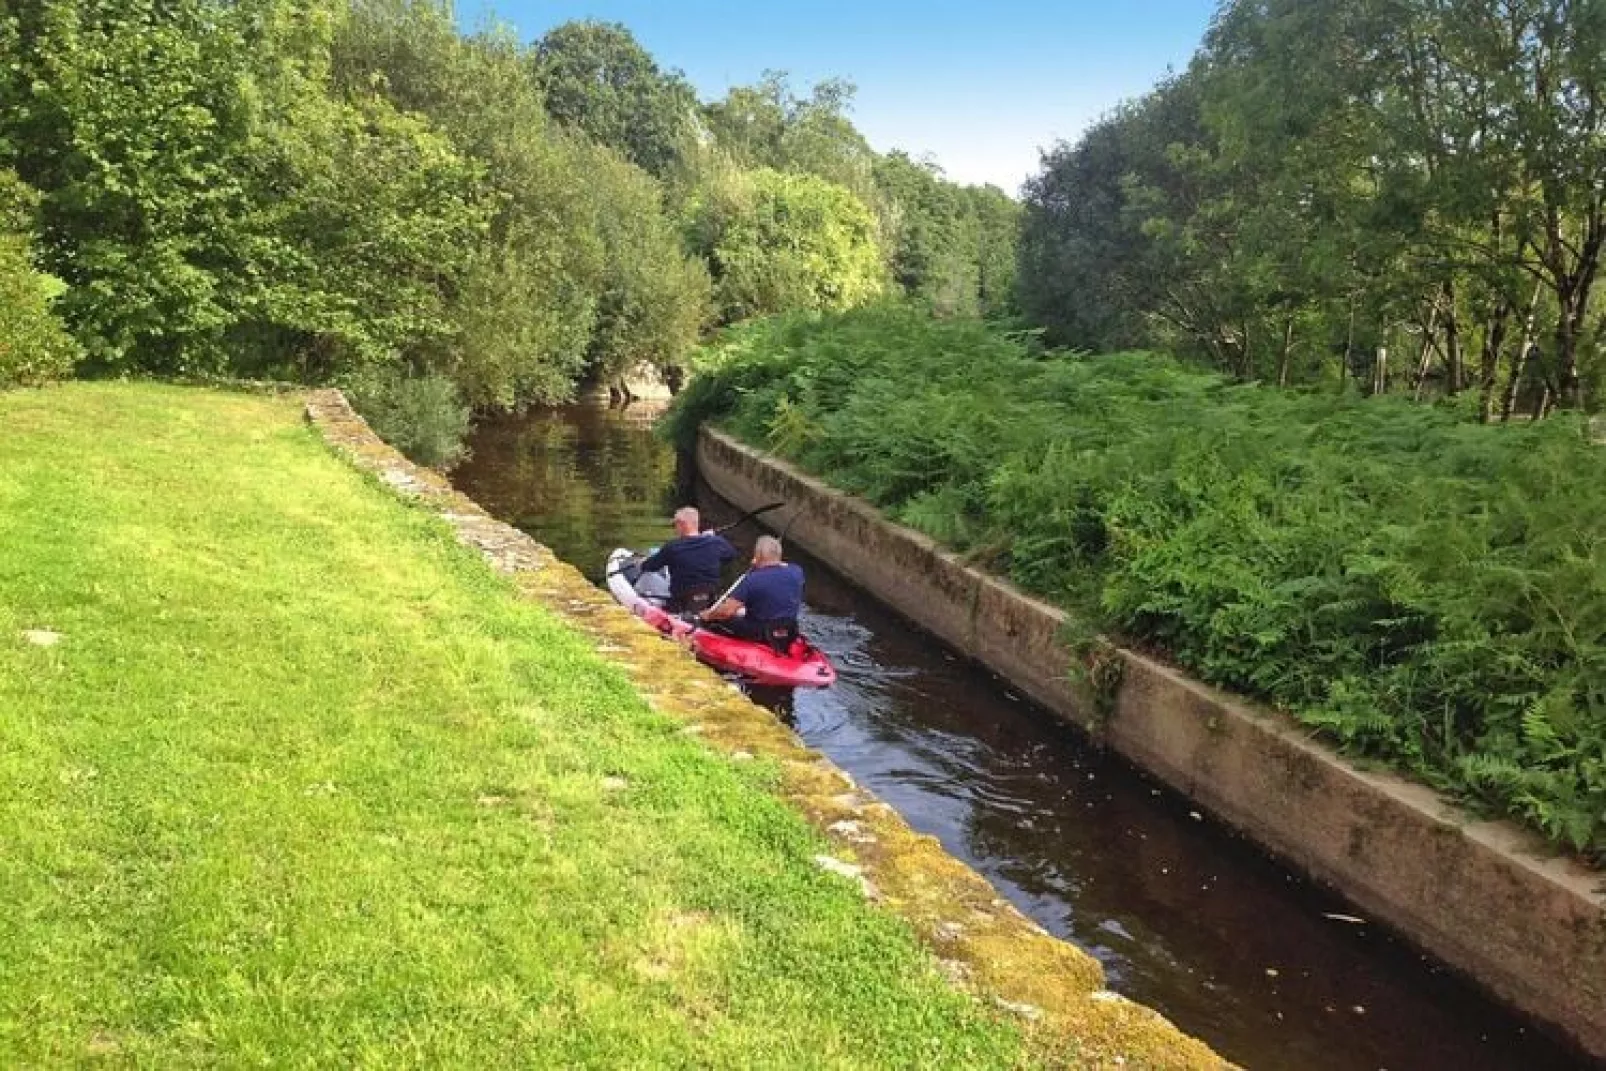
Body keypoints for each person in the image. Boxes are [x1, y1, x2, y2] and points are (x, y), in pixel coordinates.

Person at [697, 535, 804, 651]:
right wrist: (762, 562)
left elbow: (727, 612)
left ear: (757, 556)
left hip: (762, 633)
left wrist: (709, 615)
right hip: (789, 630)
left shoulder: (752, 580)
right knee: (744, 610)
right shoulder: (797, 572)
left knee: (718, 618)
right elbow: (782, 566)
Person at [637, 506, 737, 614]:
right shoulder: (716, 542)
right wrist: (710, 538)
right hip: (710, 599)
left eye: (675, 524)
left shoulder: (673, 547)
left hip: (680, 603)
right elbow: (730, 555)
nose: (675, 528)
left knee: (647, 575)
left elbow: (650, 566)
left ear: (682, 524)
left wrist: (641, 562)